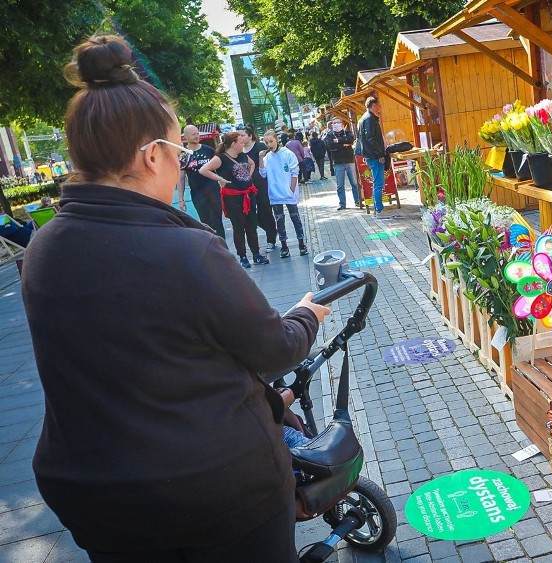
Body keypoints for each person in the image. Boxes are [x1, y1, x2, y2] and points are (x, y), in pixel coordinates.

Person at [21, 34, 331, 563]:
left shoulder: (44, 245)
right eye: (179, 151)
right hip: (211, 494)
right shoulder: (185, 249)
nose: (181, 163)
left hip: (96, 495)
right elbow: (275, 349)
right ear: (151, 156)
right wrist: (307, 312)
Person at [199, 131, 270, 268]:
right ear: (233, 144)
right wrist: (220, 179)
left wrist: (248, 176)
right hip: (233, 198)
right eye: (241, 142)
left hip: (248, 195)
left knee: (251, 225)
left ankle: (256, 254)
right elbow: (204, 170)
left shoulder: (242, 155)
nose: (243, 143)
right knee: (238, 227)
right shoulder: (221, 158)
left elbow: (252, 164)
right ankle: (242, 256)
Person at [259, 130, 308, 258]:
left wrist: (291, 190)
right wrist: (260, 159)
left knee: (295, 218)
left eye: (271, 141)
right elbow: (262, 173)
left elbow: (294, 172)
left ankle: (301, 244)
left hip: (288, 194)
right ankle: (284, 246)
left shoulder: (288, 154)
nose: (269, 144)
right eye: (266, 142)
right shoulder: (267, 157)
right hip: (275, 195)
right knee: (279, 220)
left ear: (277, 140)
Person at [176, 124, 226, 239]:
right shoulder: (184, 155)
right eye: (193, 134)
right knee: (205, 223)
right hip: (198, 193)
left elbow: (219, 169)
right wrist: (181, 199)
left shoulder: (208, 150)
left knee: (217, 221)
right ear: (186, 137)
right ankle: (211, 249)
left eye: (197, 133)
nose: (197, 136)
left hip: (213, 191)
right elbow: (181, 178)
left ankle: (222, 249)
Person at [242, 125, 278, 253]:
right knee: (251, 214)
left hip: (262, 185)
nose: (240, 138)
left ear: (250, 136)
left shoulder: (260, 148)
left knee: (266, 211)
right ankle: (272, 230)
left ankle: (271, 239)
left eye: (243, 135)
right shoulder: (240, 151)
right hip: (247, 187)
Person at [354, 96, 386, 214]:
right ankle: (379, 208)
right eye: (378, 105)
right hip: (373, 156)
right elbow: (371, 138)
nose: (380, 107)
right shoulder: (369, 119)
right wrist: (379, 155)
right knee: (378, 183)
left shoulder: (365, 118)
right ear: (373, 105)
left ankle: (378, 207)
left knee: (377, 182)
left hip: (370, 155)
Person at [325, 118, 360, 211]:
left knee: (354, 183)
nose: (336, 124)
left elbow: (350, 139)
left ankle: (357, 201)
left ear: (342, 123)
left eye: (338, 122)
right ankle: (342, 203)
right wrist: (343, 144)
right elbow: (331, 146)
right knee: (340, 185)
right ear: (332, 125)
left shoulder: (347, 132)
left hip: (349, 160)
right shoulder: (329, 135)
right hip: (338, 162)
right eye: (334, 123)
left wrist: (337, 141)